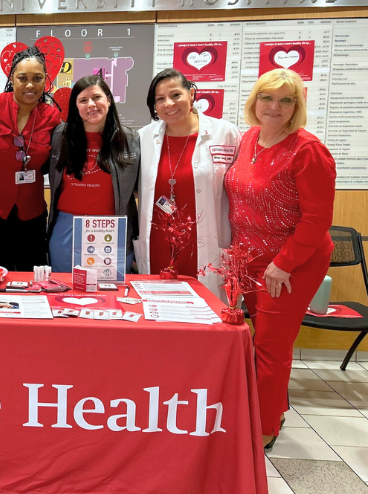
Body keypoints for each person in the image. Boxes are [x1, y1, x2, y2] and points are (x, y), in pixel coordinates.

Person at [225, 69, 336, 449]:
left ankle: (264, 428)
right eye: (267, 97)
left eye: (285, 100)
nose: (274, 107)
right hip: (249, 257)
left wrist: (284, 263)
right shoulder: (250, 138)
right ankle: (273, 406)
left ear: (297, 106)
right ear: (254, 100)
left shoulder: (308, 149)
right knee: (253, 338)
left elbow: (318, 218)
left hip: (290, 263)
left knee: (270, 346)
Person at [135, 68, 241, 298]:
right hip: (158, 245)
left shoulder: (226, 133)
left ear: (191, 94)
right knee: (159, 313)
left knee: (208, 316)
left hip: (207, 244)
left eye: (175, 95)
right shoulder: (143, 137)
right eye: (160, 99)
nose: (168, 104)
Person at [0, 46, 61, 271]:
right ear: (12, 78)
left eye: (37, 78)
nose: (30, 85)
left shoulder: (52, 117)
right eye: (23, 78)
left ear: (45, 81)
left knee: (31, 274)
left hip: (32, 212)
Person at [47, 75, 139, 273]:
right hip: (66, 231)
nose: (91, 105)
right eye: (83, 100)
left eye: (97, 97)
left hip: (112, 230)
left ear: (109, 100)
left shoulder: (130, 139)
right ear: (75, 106)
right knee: (63, 294)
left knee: (110, 296)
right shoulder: (60, 136)